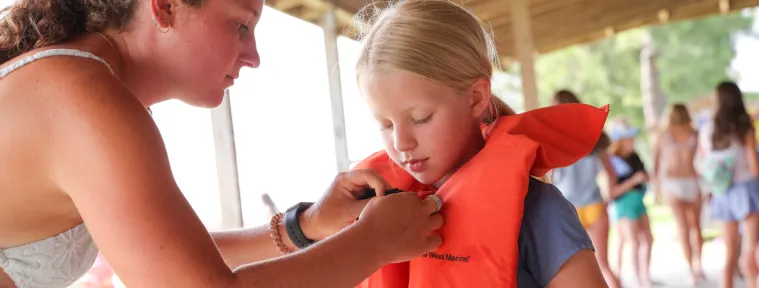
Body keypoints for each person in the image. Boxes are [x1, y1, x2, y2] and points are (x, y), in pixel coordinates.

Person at [0, 0, 446, 287]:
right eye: (241, 26)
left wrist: (305, 225)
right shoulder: (83, 99)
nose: (254, 56)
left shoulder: (85, 88)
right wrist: (375, 242)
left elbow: (168, 253)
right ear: (165, 6)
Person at [349, 1, 610, 287]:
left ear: (475, 97)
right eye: (385, 125)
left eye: (421, 118)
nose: (401, 142)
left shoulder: (538, 210)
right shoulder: (375, 213)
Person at [698, 81, 759, 288]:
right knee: (750, 255)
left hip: (722, 191)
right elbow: (754, 168)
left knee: (729, 256)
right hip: (746, 191)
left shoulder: (708, 129)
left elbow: (704, 161)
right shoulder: (744, 127)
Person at [551, 90, 622, 288]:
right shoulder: (594, 137)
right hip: (594, 205)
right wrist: (607, 198)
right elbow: (611, 174)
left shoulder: (554, 139)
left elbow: (547, 178)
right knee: (604, 265)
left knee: (569, 273)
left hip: (567, 209)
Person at [652, 103, 706, 284]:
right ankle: (696, 267)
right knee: (694, 228)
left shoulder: (667, 135)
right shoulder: (691, 133)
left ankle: (694, 268)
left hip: (676, 182)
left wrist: (657, 188)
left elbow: (655, 164)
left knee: (687, 228)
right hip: (686, 182)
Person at [607, 119, 654, 288]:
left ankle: (645, 276)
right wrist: (633, 181)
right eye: (628, 138)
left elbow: (645, 175)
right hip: (624, 204)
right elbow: (611, 192)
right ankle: (637, 279)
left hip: (638, 200)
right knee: (632, 241)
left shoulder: (634, 157)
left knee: (647, 239)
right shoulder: (612, 161)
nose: (632, 141)